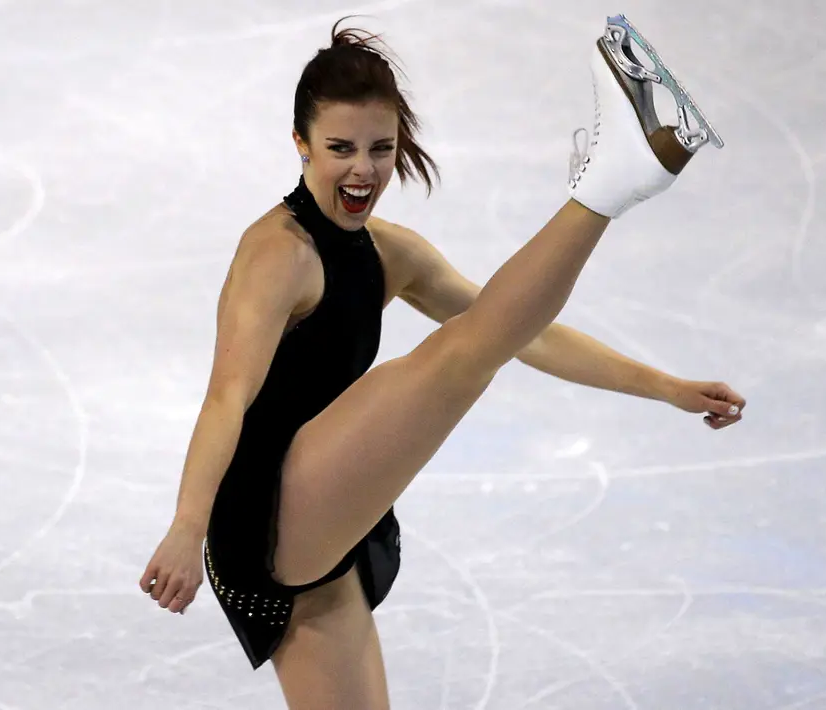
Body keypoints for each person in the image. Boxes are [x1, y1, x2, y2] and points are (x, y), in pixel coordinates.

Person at [139, 14, 745, 709]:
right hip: (266, 507)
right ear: (300, 144)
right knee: (456, 356)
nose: (363, 169)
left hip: (330, 517)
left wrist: (664, 387)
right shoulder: (278, 255)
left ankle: (615, 180)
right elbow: (226, 398)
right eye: (340, 147)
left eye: (380, 148)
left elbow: (523, 331)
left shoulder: (390, 252)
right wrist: (186, 528)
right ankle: (607, 185)